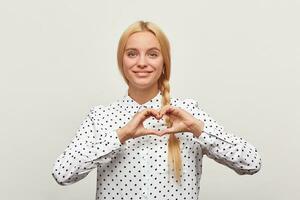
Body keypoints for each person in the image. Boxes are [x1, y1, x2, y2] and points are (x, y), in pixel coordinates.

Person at [52, 20, 262, 199]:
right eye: (132, 54)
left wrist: (198, 128)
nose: (141, 62)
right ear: (121, 61)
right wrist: (121, 136)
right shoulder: (100, 117)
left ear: (164, 63)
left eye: (152, 54)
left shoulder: (188, 111)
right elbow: (62, 173)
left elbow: (251, 162)